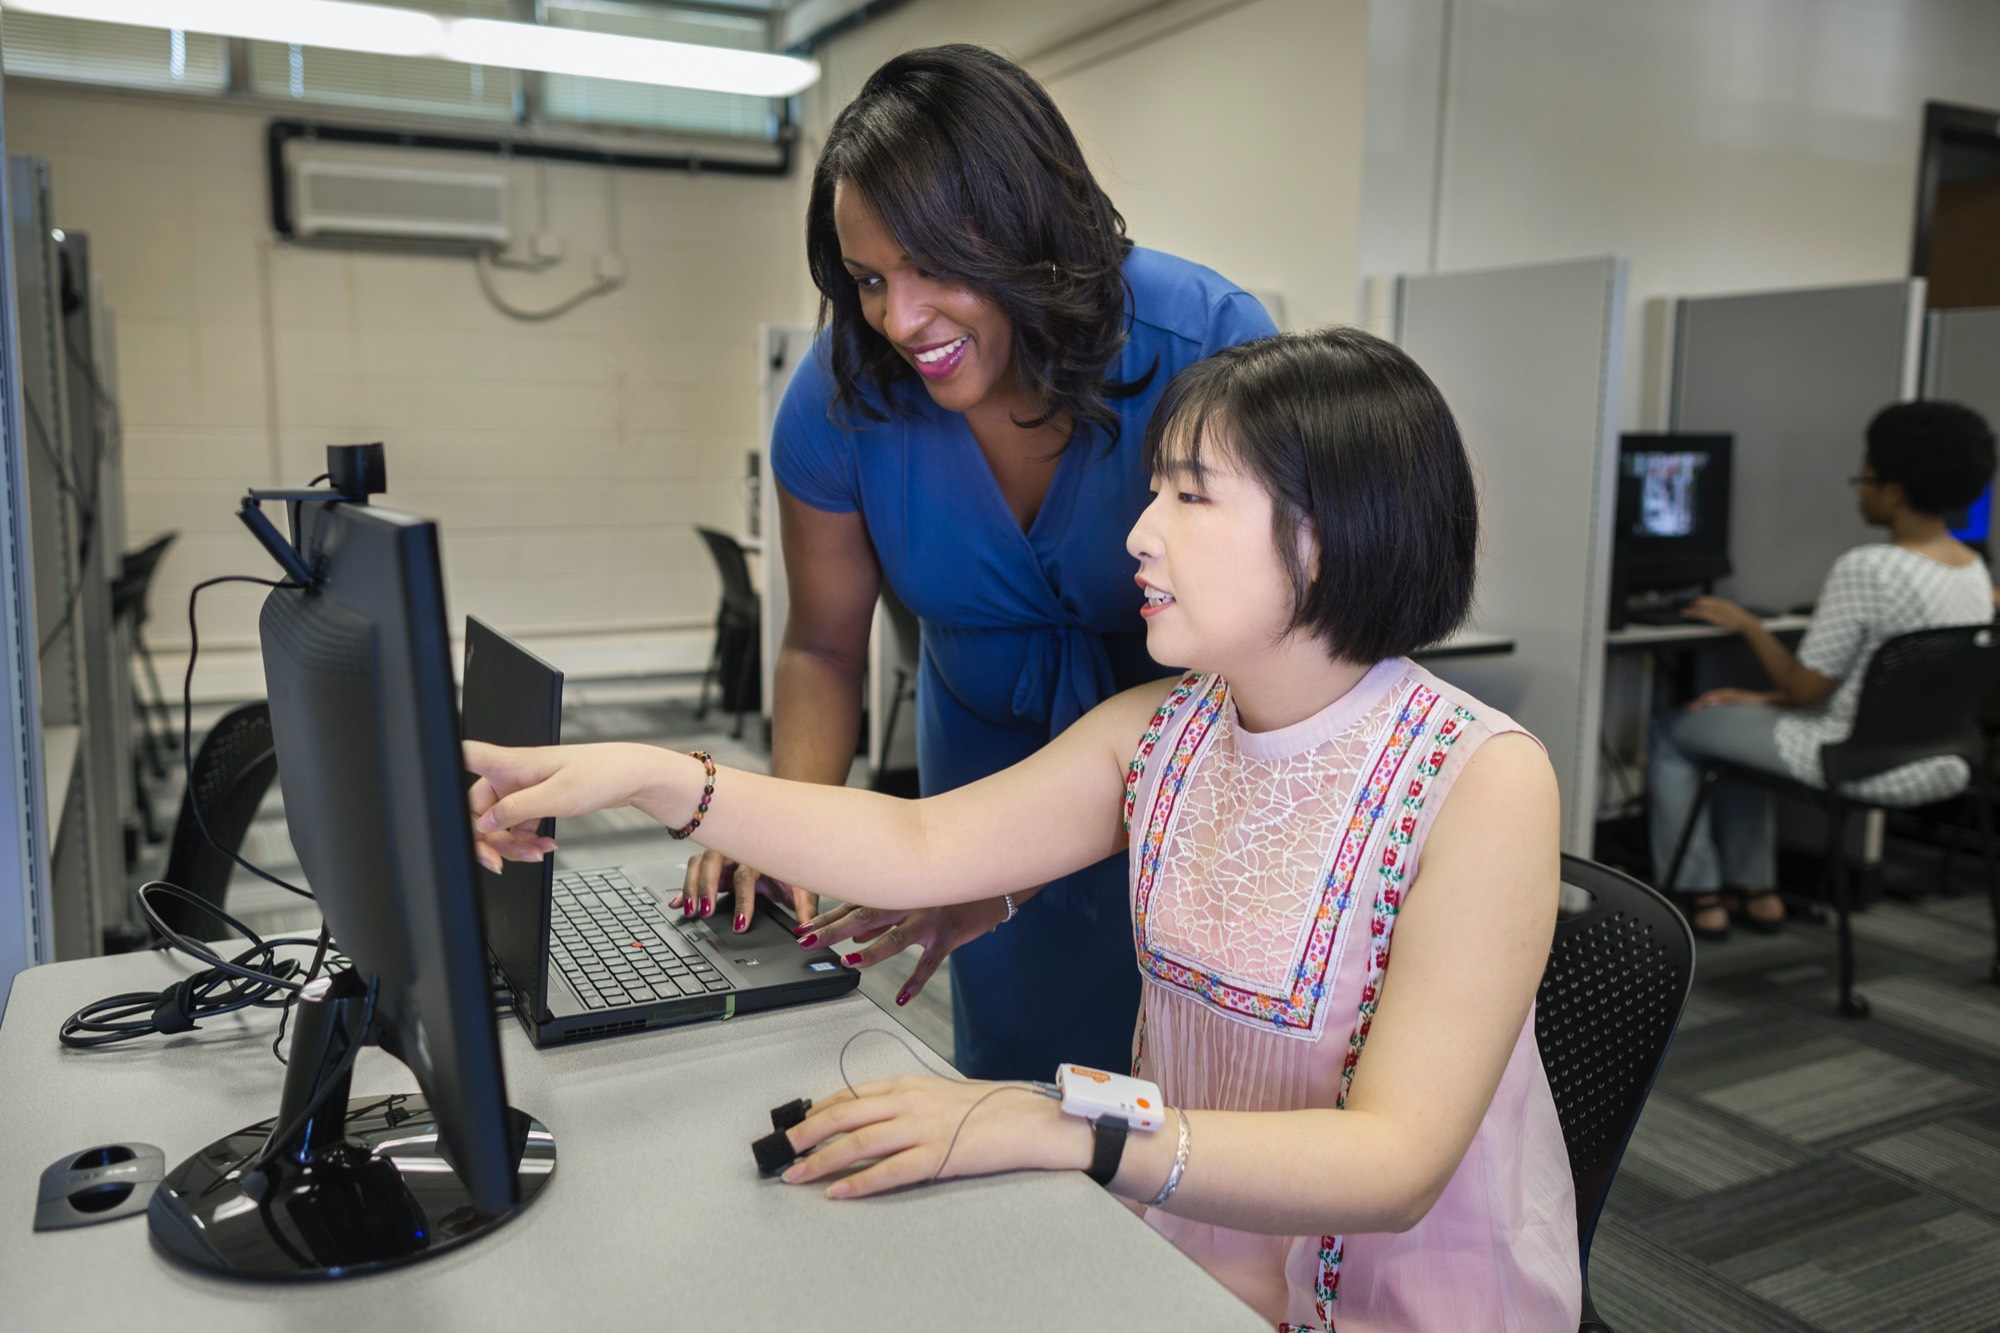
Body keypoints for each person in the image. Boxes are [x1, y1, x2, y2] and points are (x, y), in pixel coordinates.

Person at [467, 328, 1581, 1331]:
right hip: (1191, 1240)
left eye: (1190, 498)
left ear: (1327, 538)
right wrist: (661, 778)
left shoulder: (1478, 780)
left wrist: (1058, 1126)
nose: (1138, 535)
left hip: (1397, 1291)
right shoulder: (1167, 728)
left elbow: (1394, 1163)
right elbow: (917, 847)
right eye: (1153, 491)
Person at [718, 44, 1276, 1082]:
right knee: (1015, 1090)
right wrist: (785, 825)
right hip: (982, 775)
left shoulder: (1202, 340)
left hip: (1193, 791)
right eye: (869, 280)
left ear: (1025, 225)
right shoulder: (844, 393)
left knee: (1198, 1112)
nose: (900, 319)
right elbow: (821, 644)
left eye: (933, 267)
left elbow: (1275, 659)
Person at [1650, 400, 1998, 938]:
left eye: (1866, 478)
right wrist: (1756, 700)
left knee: (1673, 733)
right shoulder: (1973, 568)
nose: (1859, 489)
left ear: (1895, 493)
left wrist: (1748, 625)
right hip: (1938, 758)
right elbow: (1877, 683)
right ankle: (1757, 891)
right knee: (1730, 729)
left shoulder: (1867, 566)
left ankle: (1698, 896)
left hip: (1849, 754)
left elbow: (1805, 690)